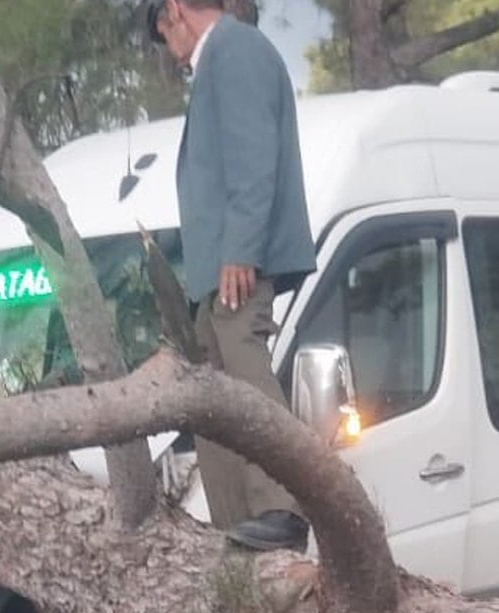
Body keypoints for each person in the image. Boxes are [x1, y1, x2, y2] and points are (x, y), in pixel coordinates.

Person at [147, 0, 317, 551]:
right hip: (213, 268)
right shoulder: (222, 57)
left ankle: (282, 506)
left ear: (175, 9)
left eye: (164, 35)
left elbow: (253, 157)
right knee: (212, 391)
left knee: (244, 362)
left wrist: (240, 250)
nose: (171, 53)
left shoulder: (235, 49)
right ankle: (234, 524)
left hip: (236, 261)